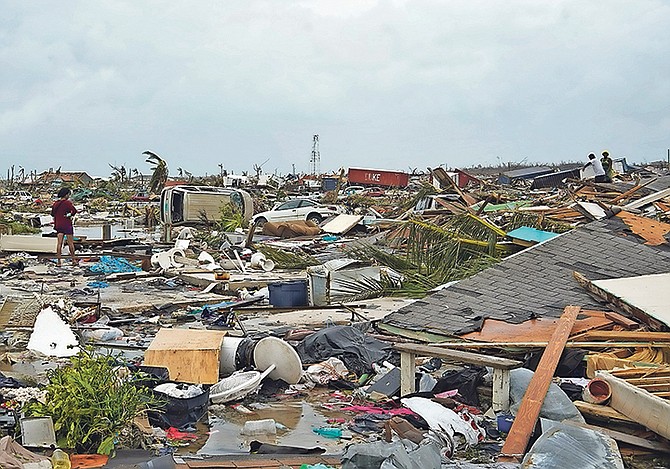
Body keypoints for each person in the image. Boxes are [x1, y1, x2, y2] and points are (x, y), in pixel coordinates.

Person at [51, 187, 78, 266]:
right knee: (70, 243)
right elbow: (74, 211)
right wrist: (68, 215)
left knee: (59, 244)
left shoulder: (55, 203)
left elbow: (52, 214)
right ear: (66, 195)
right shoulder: (67, 203)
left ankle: (59, 262)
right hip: (67, 224)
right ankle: (73, 260)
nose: (69, 196)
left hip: (58, 225)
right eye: (68, 194)